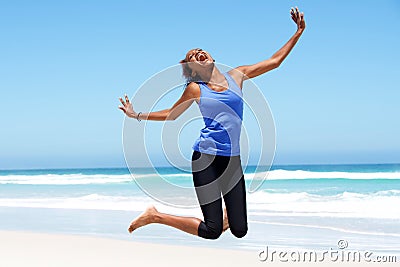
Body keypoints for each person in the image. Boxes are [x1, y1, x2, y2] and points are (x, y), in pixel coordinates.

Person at [118, 7, 305, 240]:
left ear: (212, 57)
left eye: (200, 51)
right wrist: (136, 114)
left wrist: (298, 32)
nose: (197, 54)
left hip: (232, 160)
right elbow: (171, 114)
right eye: (192, 57)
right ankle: (155, 216)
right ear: (192, 69)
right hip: (205, 158)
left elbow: (275, 61)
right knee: (212, 231)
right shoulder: (196, 89)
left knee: (240, 230)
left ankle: (230, 209)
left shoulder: (237, 75)